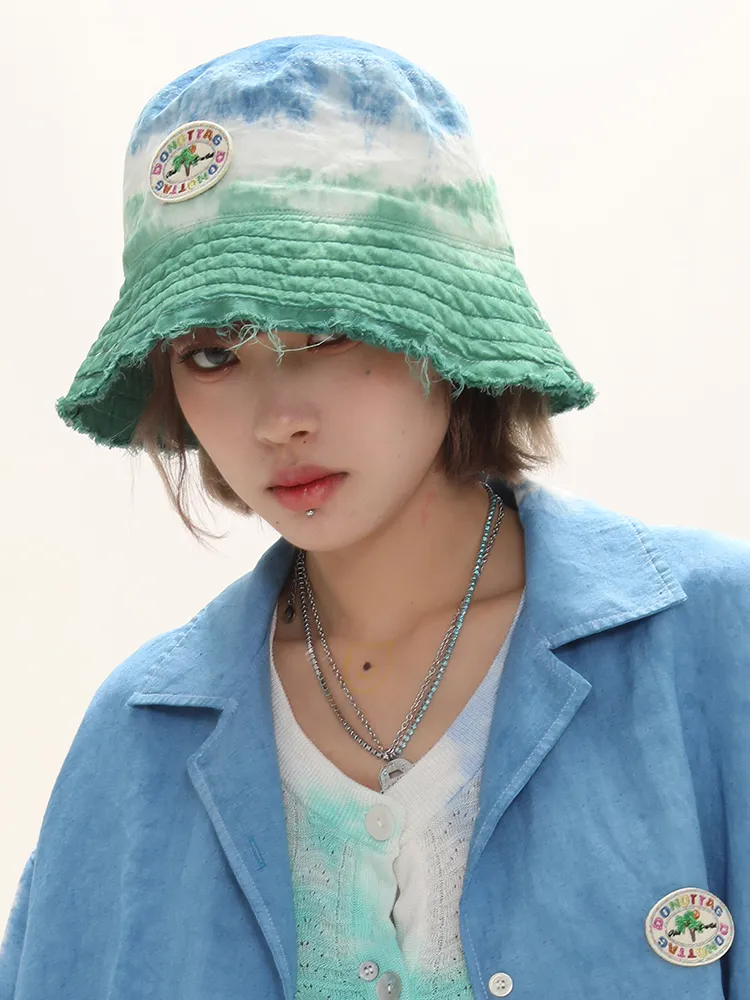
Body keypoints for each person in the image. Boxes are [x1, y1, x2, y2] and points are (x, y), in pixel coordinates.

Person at [1, 34, 748, 1000]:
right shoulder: (134, 742)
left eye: (326, 330)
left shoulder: (709, 646)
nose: (277, 419)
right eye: (212, 355)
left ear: (449, 326)